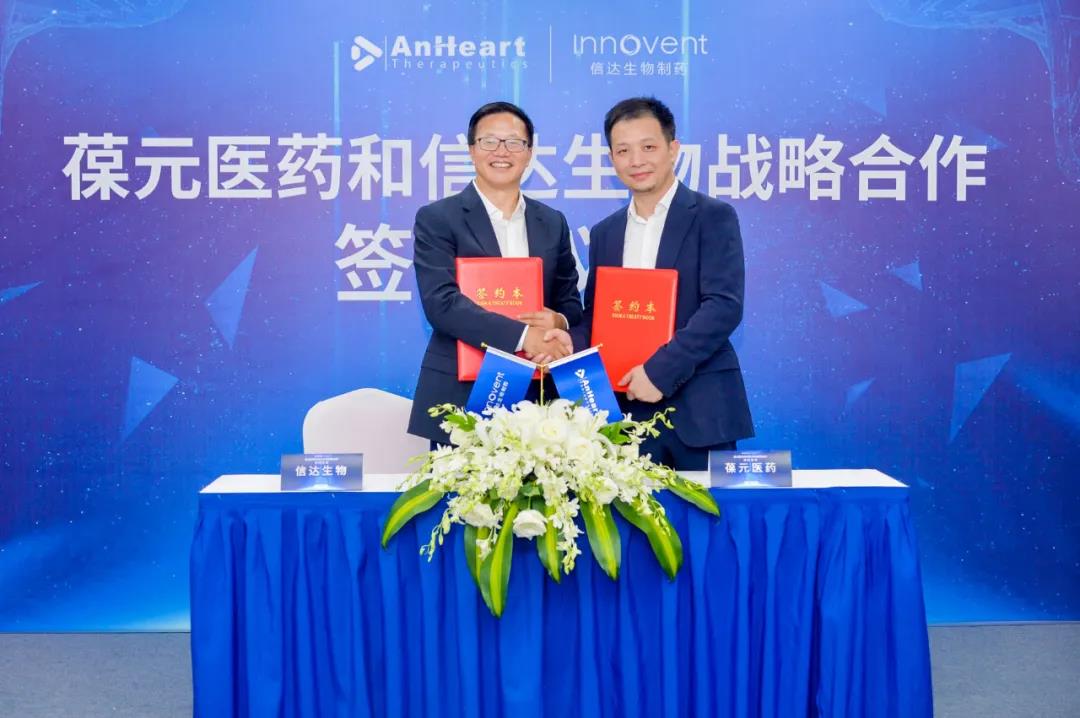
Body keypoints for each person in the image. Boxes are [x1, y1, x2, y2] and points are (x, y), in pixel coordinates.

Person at [572, 97, 754, 469]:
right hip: (626, 419)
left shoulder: (713, 216)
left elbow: (723, 306)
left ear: (673, 149)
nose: (636, 160)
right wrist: (565, 341)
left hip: (701, 413)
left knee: (708, 510)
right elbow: (599, 317)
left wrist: (658, 372)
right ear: (611, 159)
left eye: (648, 147)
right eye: (623, 150)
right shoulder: (606, 233)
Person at [408, 101, 580, 444]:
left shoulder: (552, 222)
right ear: (471, 150)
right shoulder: (438, 218)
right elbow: (441, 304)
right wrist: (525, 336)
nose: (502, 151)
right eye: (489, 141)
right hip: (462, 393)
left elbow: (571, 302)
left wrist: (558, 322)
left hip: (540, 399)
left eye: (514, 142)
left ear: (529, 153)